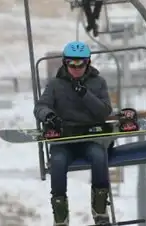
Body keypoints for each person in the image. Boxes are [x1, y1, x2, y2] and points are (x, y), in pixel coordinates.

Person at [33, 41, 112, 226]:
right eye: (71, 64)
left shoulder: (98, 83)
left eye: (81, 64)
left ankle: (100, 209)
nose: (76, 68)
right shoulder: (55, 85)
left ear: (88, 63)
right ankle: (60, 214)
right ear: (64, 63)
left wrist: (85, 94)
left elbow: (104, 111)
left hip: (89, 136)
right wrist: (49, 116)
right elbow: (41, 106)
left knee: (99, 157)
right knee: (58, 163)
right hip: (64, 138)